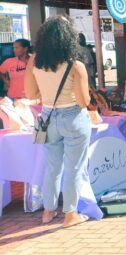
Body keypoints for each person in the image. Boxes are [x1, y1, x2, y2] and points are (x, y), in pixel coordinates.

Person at [24, 18, 90, 227]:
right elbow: (84, 101)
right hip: (73, 117)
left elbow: (30, 93)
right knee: (74, 167)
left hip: (47, 117)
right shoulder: (75, 65)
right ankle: (70, 214)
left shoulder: (34, 61)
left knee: (52, 167)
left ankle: (48, 210)